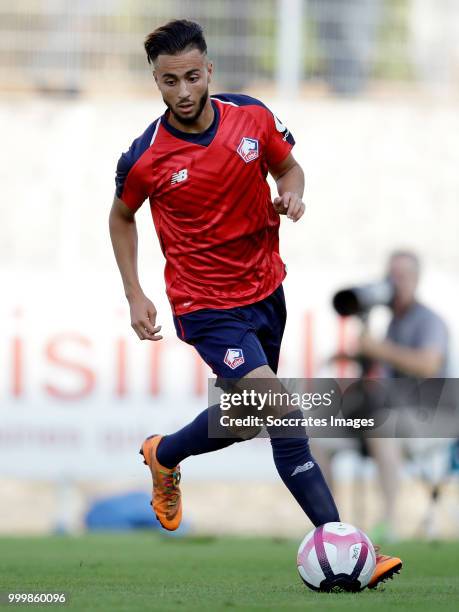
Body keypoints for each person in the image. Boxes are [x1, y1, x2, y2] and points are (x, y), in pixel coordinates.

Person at [109, 19, 401, 587]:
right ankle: (345, 545)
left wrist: (293, 190)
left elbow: (288, 165)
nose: (184, 92)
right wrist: (135, 292)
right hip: (205, 306)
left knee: (245, 422)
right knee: (284, 413)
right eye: (170, 82)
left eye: (193, 77)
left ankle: (164, 453)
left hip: (267, 291)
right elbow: (121, 217)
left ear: (209, 70)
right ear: (156, 81)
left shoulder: (252, 117)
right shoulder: (146, 156)